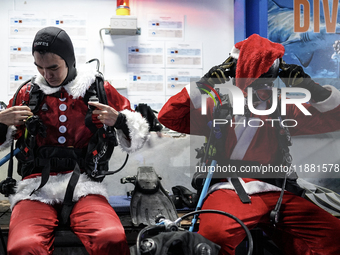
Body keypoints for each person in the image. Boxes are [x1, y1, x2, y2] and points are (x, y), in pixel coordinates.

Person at [158, 34, 340, 255]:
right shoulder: (217, 105)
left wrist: (313, 89)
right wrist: (206, 83)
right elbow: (169, 116)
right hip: (229, 188)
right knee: (213, 239)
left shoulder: (283, 106)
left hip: (278, 190)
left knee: (333, 235)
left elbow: (335, 119)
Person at [0, 26, 149, 255]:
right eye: (39, 67)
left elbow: (137, 134)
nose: (46, 75)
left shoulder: (99, 89)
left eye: (53, 67)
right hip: (35, 187)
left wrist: (118, 120)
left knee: (110, 238)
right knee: (23, 246)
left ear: (69, 61)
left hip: (85, 185)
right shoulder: (27, 93)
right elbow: (5, 140)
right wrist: (1, 122)